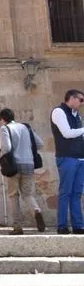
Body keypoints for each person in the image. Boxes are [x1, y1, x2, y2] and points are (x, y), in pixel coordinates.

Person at [0, 109, 46, 234]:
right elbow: (40, 143)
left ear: (2, 119)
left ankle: (17, 227)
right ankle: (36, 210)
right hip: (29, 164)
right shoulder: (26, 127)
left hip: (14, 166)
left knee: (13, 195)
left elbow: (7, 148)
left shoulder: (5, 128)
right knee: (27, 194)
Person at [50, 89, 84, 234]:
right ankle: (62, 225)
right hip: (67, 157)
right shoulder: (59, 111)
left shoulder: (77, 115)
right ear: (71, 98)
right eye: (81, 100)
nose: (82, 103)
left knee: (77, 193)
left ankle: (78, 226)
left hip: (80, 157)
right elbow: (67, 133)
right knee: (66, 192)